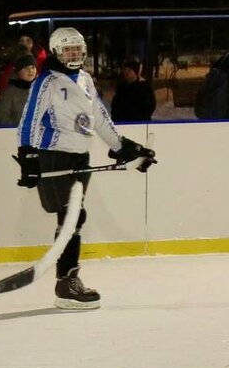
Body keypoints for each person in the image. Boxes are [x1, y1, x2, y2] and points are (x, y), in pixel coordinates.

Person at [17, 27, 156, 309]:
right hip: (54, 156)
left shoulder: (85, 79)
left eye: (77, 49)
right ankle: (67, 283)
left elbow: (100, 119)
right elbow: (28, 121)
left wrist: (124, 148)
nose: (73, 54)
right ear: (56, 51)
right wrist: (28, 157)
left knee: (73, 218)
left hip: (80, 158)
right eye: (67, 50)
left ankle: (66, 280)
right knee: (72, 216)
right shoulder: (47, 81)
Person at [109, 57, 156, 123]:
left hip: (139, 124)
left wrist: (141, 118)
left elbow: (150, 106)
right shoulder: (121, 88)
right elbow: (115, 106)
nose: (126, 72)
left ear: (135, 72)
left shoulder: (144, 87)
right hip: (121, 124)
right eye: (125, 69)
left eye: (129, 70)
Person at [0, 52, 37, 125]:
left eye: (33, 67)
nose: (30, 71)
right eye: (26, 68)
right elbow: (2, 117)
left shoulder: (41, 88)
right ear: (18, 71)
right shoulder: (9, 92)